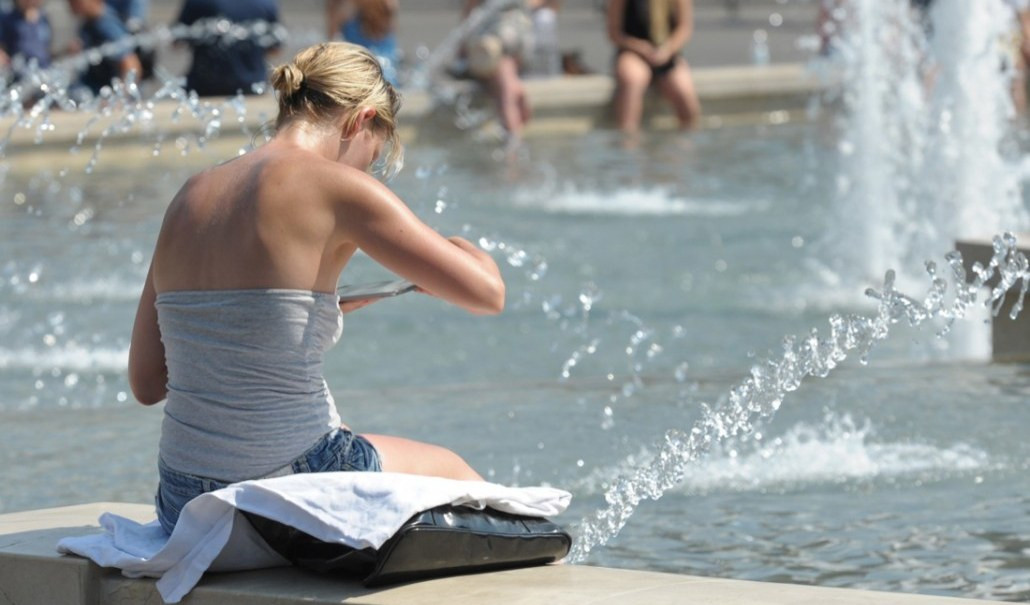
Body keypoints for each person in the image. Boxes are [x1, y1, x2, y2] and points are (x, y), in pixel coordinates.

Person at [128, 42, 506, 534]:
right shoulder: (338, 187)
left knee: (336, 430)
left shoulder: (190, 195)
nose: (366, 171)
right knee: (466, 482)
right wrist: (458, 246)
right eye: (374, 154)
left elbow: (147, 382)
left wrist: (320, 308)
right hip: (286, 489)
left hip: (180, 501)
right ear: (360, 120)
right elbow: (486, 295)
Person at [607, 0, 702, 133]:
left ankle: (688, 137)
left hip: (667, 51)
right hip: (633, 51)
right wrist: (640, 48)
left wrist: (667, 50)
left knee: (683, 89)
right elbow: (614, 32)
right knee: (633, 80)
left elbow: (684, 28)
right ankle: (628, 136)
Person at [175, 0, 280, 97]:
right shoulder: (266, 2)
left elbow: (177, 43)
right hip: (253, 86)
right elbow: (276, 49)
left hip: (202, 88)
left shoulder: (198, 2)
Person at [462, 0, 534, 140]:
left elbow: (469, 9)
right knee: (506, 83)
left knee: (505, 88)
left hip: (502, 33)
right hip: (511, 32)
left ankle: (512, 140)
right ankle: (513, 137)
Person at [66, 0, 142, 95]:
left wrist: (120, 98)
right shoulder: (88, 24)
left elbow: (130, 64)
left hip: (105, 92)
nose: (70, 4)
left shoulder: (106, 25)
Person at [325, 0, 399, 85]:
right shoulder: (344, 10)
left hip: (381, 66)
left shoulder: (385, 7)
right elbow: (332, 43)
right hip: (358, 66)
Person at [0, 0, 52, 82]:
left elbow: (46, 48)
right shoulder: (8, 20)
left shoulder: (43, 19)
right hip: (21, 74)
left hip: (44, 71)